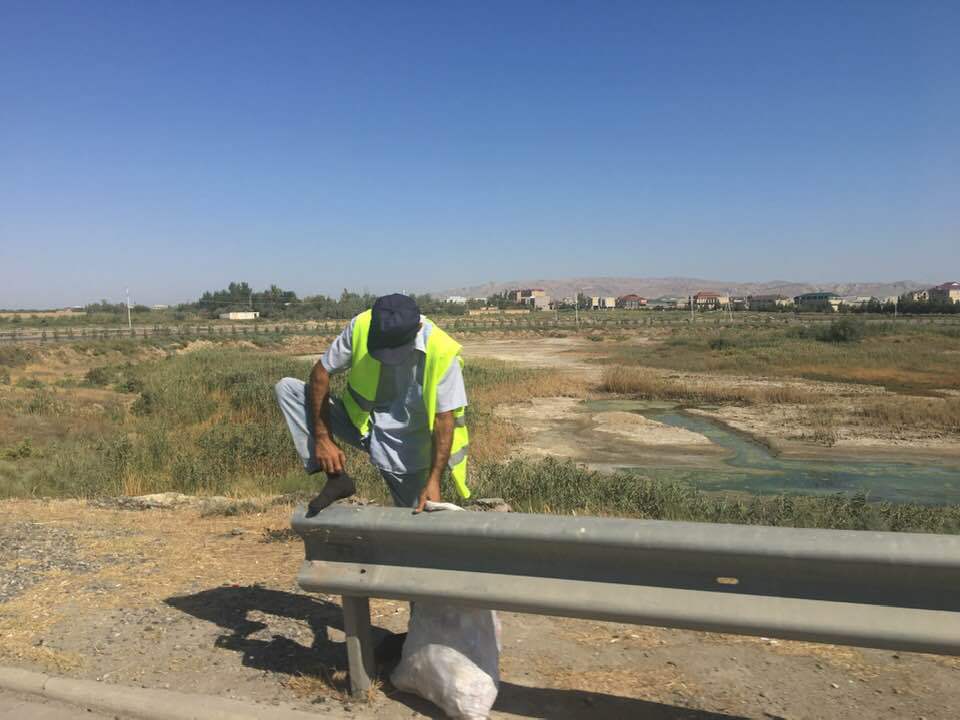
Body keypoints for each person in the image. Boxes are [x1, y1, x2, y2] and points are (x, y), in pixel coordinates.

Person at [275, 293, 470, 515]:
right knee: (288, 390)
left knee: (416, 520)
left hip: (407, 450)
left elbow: (444, 420)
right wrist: (323, 438)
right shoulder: (363, 324)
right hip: (362, 426)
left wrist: (433, 480)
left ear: (417, 328)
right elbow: (320, 373)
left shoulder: (442, 351)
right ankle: (337, 479)